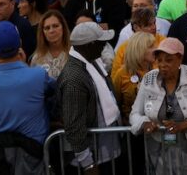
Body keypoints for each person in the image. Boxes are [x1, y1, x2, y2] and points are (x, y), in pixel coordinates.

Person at [0, 21, 57, 173]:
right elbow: (53, 89)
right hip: (33, 154)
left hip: (0, 156)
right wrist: (24, 65)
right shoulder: (37, 75)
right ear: (19, 44)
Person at [129, 37, 187, 175]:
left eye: (168, 60)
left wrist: (184, 124)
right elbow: (134, 114)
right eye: (159, 60)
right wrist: (144, 123)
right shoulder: (149, 78)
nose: (163, 65)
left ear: (180, 59)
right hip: (158, 147)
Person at [58, 21, 122, 172]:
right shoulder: (74, 78)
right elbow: (74, 125)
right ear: (89, 45)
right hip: (93, 159)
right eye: (101, 42)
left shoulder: (92, 63)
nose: (104, 45)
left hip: (107, 152)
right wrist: (88, 164)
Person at [111, 31, 157, 119]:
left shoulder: (158, 71)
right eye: (151, 47)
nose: (156, 49)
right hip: (131, 128)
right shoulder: (122, 74)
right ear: (139, 49)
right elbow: (116, 103)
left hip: (155, 126)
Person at [30, 10, 71, 79]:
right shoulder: (36, 59)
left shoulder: (73, 55)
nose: (51, 31)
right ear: (42, 32)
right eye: (47, 28)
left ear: (63, 27)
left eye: (55, 26)